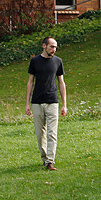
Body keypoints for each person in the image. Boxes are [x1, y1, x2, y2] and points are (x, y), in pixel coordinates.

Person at [25, 36, 67, 170]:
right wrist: (27, 103)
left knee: (52, 133)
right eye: (51, 46)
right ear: (44, 46)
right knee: (40, 134)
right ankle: (44, 158)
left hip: (52, 101)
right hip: (37, 102)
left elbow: (61, 83)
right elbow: (30, 82)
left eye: (55, 47)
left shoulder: (58, 61)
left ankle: (50, 161)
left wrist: (64, 104)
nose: (54, 49)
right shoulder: (35, 61)